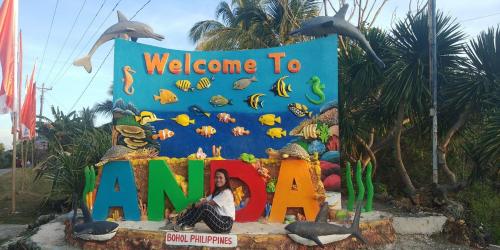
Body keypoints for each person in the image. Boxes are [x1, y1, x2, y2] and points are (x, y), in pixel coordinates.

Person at [168, 169, 235, 233]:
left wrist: (195, 205)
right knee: (199, 206)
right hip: (218, 220)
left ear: (226, 179)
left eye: (221, 178)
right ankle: (179, 222)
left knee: (205, 207)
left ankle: (188, 224)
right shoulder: (217, 192)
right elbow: (204, 200)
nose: (218, 180)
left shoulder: (226, 192)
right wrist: (193, 205)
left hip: (225, 224)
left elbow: (210, 203)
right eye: (216, 177)